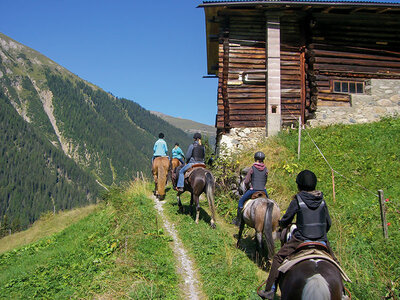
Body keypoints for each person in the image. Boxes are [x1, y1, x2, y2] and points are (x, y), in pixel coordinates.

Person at [258, 170, 337, 300]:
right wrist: (320, 235)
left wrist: (282, 224)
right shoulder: (322, 201)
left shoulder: (298, 199)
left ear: (299, 185)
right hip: (321, 240)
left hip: (300, 239)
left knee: (278, 258)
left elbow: (287, 219)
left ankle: (270, 290)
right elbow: (328, 223)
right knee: (334, 261)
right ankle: (344, 292)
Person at [231, 151, 269, 227]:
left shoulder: (252, 168)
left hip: (253, 190)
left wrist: (248, 185)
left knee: (241, 202)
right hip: (263, 190)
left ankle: (238, 221)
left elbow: (247, 181)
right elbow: (265, 180)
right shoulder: (266, 169)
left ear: (255, 159)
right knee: (269, 204)